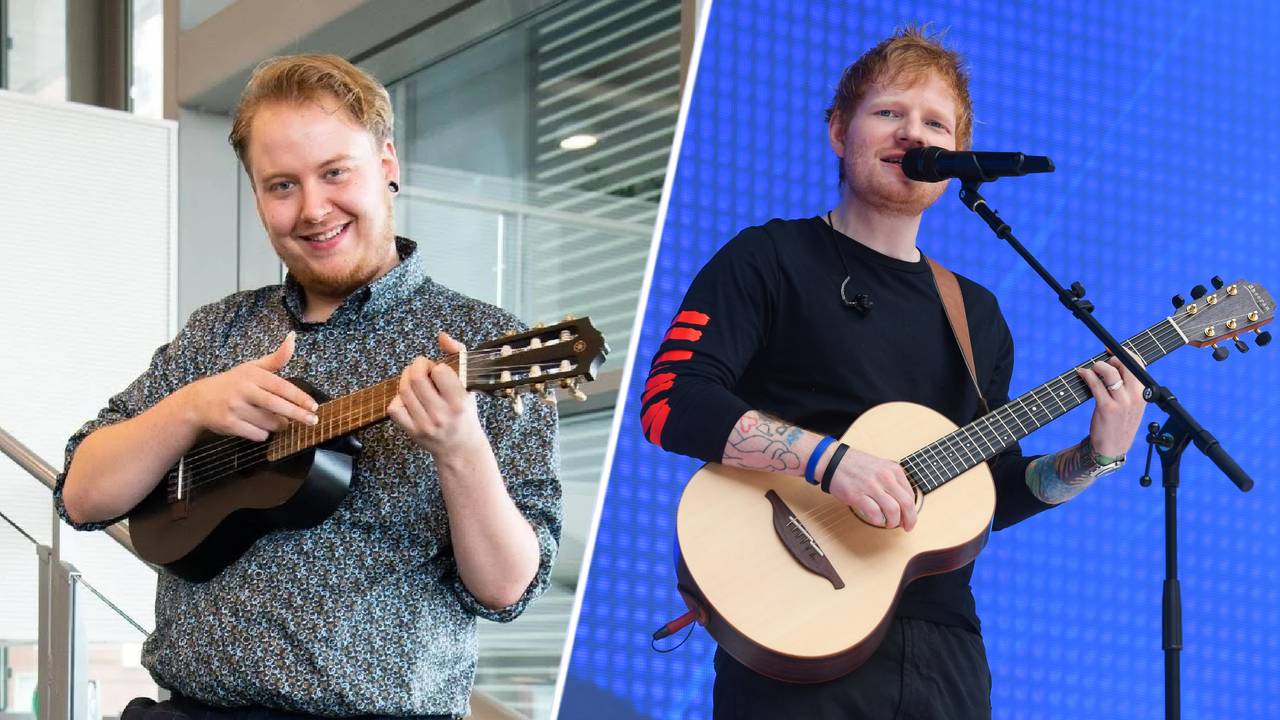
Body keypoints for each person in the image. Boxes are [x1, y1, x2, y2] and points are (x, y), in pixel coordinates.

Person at [639, 27, 1146, 719]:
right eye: (890, 113)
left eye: (934, 124)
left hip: (945, 652)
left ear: (955, 157)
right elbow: (671, 402)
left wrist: (1094, 458)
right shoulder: (768, 258)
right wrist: (831, 462)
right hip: (795, 633)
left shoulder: (978, 314)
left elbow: (991, 491)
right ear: (840, 130)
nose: (913, 134)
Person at [53, 54, 560, 720]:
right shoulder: (220, 332)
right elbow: (84, 495)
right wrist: (191, 406)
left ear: (387, 163)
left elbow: (507, 589)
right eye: (282, 185)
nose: (314, 208)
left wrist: (461, 449)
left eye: (335, 172)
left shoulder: (476, 340)